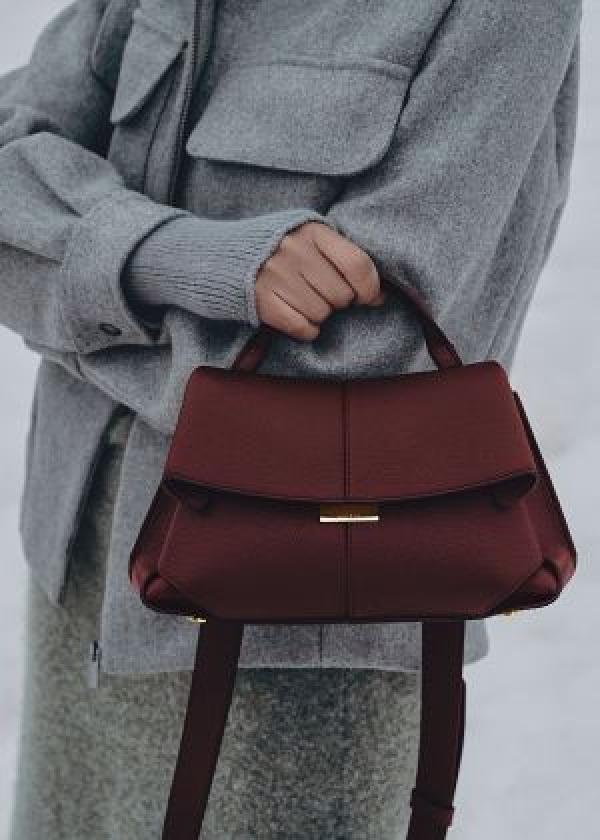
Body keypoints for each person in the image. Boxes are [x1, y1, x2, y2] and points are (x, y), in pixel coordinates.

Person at [0, 0, 582, 837]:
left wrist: (76, 306)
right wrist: (174, 259)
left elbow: (371, 359)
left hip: (299, 657)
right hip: (79, 580)